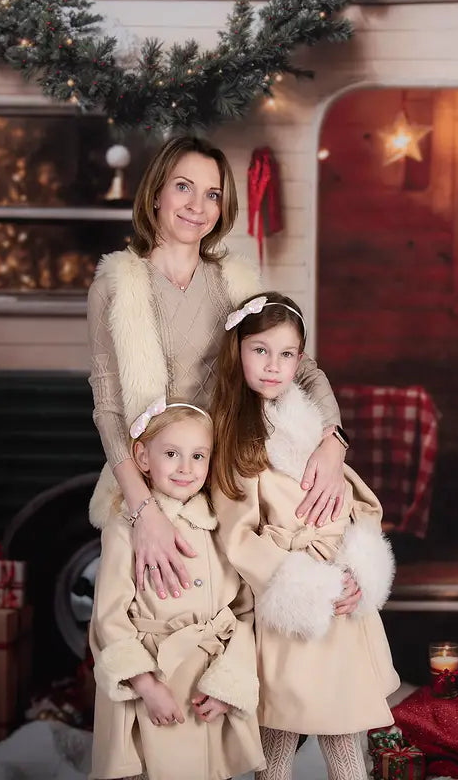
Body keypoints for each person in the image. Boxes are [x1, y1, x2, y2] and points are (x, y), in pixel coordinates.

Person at [86, 135, 356, 605]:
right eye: (184, 187)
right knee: (158, 623)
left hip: (233, 472)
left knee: (248, 620)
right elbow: (108, 410)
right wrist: (144, 511)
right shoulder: (114, 287)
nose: (198, 206)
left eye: (212, 194)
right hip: (156, 480)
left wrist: (334, 442)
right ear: (156, 194)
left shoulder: (234, 282)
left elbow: (301, 366)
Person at [210, 292, 400, 780]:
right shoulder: (235, 436)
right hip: (291, 596)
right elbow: (238, 536)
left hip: (338, 590)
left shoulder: (313, 426)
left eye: (287, 354)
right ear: (239, 351)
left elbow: (355, 503)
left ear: (301, 359)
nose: (274, 366)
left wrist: (356, 572)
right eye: (260, 350)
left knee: (342, 730)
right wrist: (308, 583)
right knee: (280, 730)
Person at [89, 399, 264, 780]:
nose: (186, 468)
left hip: (206, 679)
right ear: (143, 456)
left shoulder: (220, 526)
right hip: (153, 681)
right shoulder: (125, 528)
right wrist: (145, 684)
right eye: (171, 453)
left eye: (199, 456)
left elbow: (244, 614)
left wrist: (227, 684)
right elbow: (108, 617)